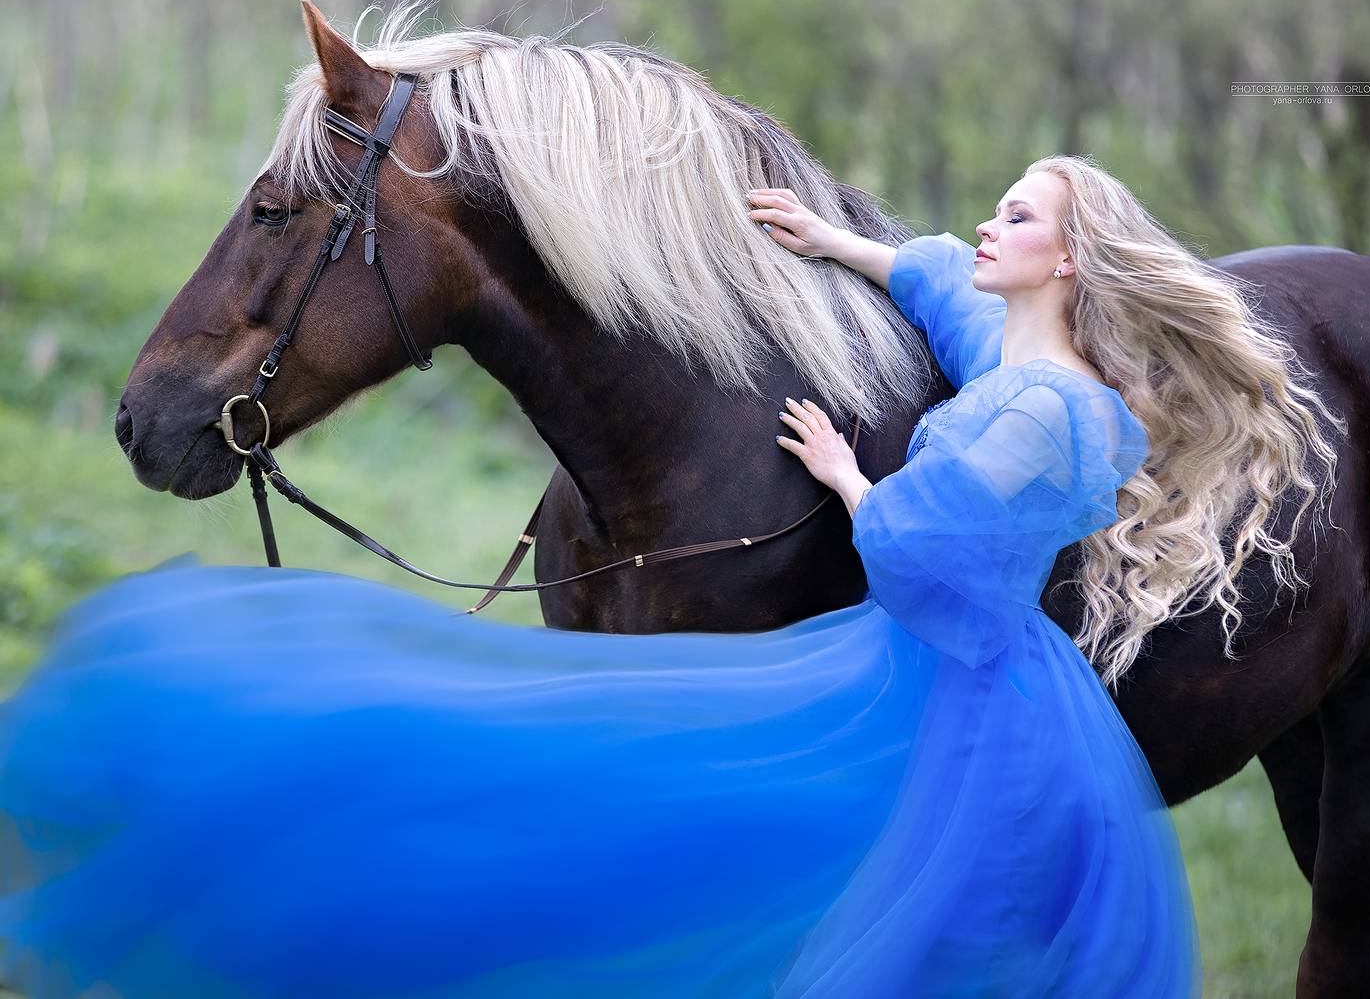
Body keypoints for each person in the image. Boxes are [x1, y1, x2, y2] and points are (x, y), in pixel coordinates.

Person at [0, 154, 1242, 998]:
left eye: (1018, 219)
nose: (989, 223)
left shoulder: (1040, 408)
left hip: (952, 687)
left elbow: (924, 558)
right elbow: (962, 317)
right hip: (1007, 685)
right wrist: (842, 246)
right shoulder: (1038, 374)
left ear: (1070, 264)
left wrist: (846, 476)